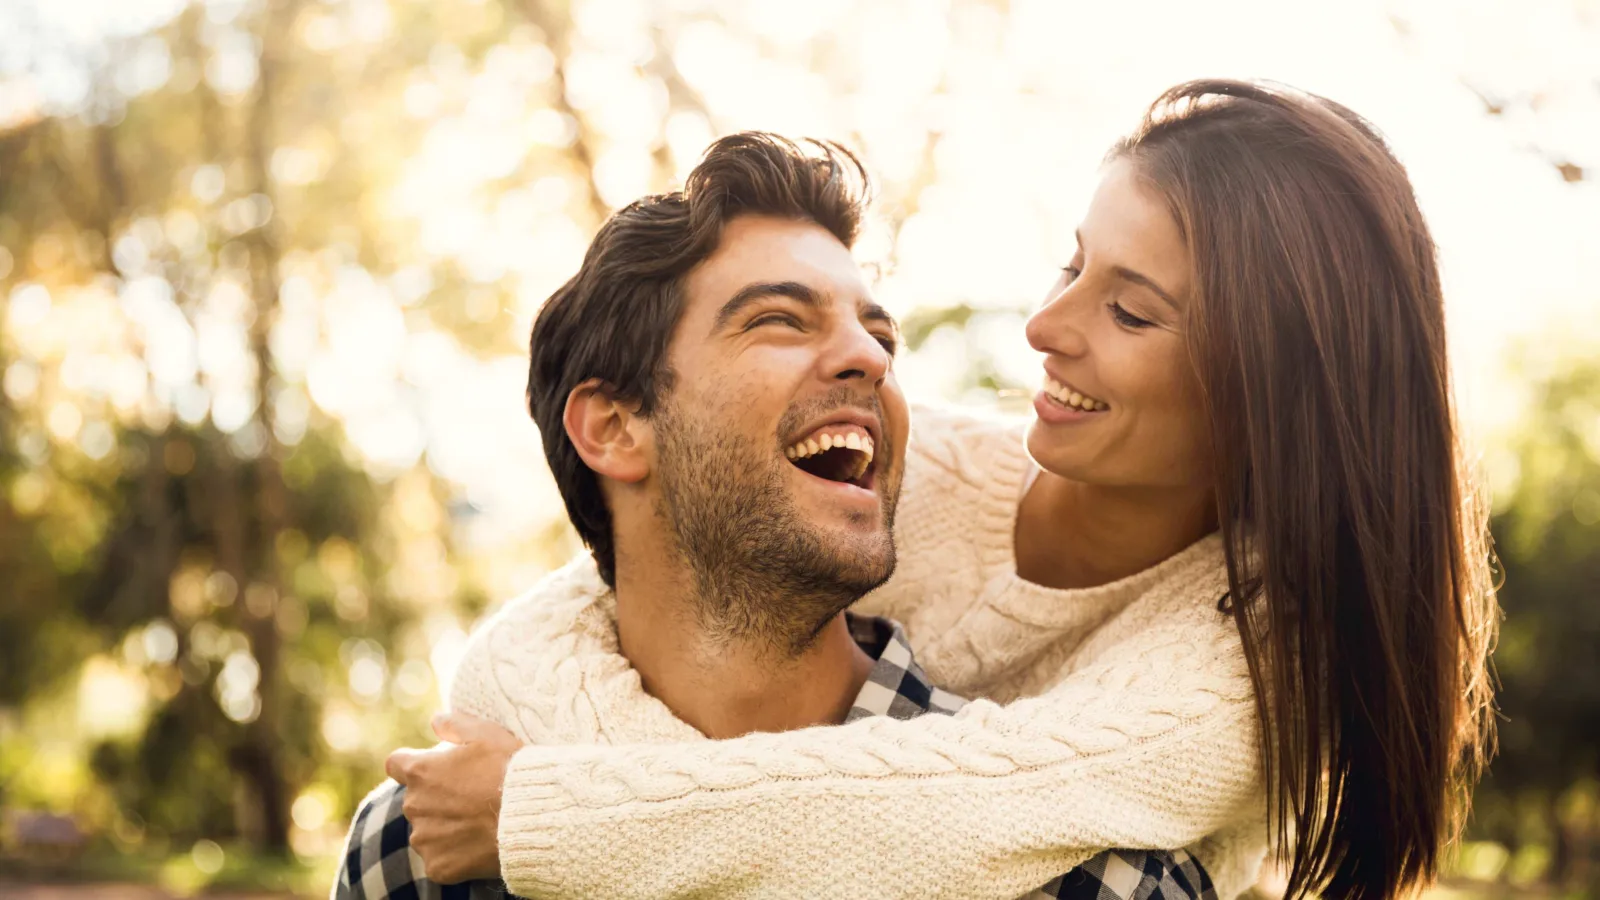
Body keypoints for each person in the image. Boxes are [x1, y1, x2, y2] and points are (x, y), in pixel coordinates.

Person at [389, 80, 1500, 900]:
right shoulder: (900, 472)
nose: (1042, 329)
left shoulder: (1242, 670)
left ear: (1267, 397)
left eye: (1131, 310)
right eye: (1073, 267)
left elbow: (955, 809)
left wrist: (545, 814)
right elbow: (573, 613)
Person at [334, 132, 1215, 900]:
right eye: (781, 321)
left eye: (881, 334)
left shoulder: (1094, 880)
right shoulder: (424, 854)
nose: (870, 356)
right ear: (613, 427)